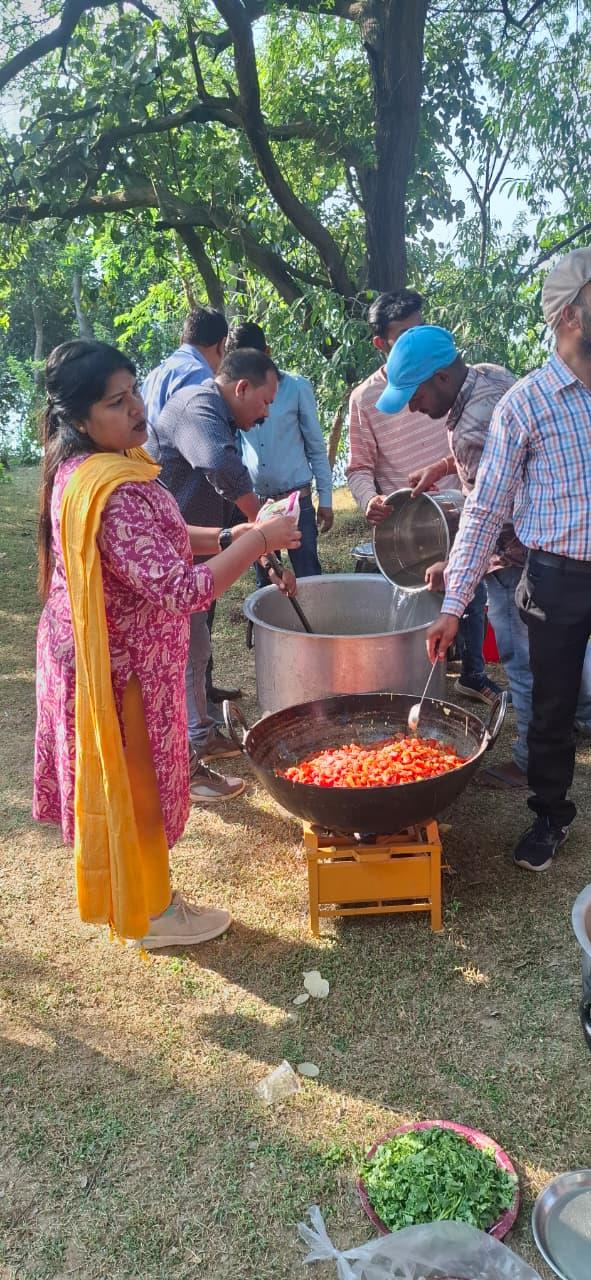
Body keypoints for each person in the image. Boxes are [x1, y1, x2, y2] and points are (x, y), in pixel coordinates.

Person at [33, 339, 300, 949]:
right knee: (138, 789)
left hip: (106, 652)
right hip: (119, 666)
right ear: (80, 420)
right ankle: (151, 912)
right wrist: (258, 542)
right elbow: (184, 590)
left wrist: (233, 533)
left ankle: (141, 899)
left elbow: (165, 535)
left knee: (132, 785)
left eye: (133, 392)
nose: (136, 409)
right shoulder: (113, 489)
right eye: (116, 402)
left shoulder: (100, 467)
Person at [426, 247, 591, 872]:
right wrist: (454, 605)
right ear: (571, 316)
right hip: (556, 579)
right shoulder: (526, 404)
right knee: (551, 706)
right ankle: (550, 815)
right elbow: (485, 508)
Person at [375, 324, 528, 785]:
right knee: (558, 646)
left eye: (415, 395)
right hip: (544, 549)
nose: (413, 407)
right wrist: (443, 467)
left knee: (521, 661)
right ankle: (579, 715)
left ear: (441, 376)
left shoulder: (472, 427)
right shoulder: (488, 374)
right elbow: (500, 457)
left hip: (515, 557)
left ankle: (530, 760)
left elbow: (491, 514)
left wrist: (455, 567)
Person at [146, 348, 295, 798]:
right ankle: (195, 746)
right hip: (172, 559)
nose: (266, 414)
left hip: (197, 547)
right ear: (241, 388)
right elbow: (221, 469)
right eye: (265, 402)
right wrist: (264, 525)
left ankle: (199, 733)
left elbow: (232, 512)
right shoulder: (199, 405)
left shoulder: (223, 418)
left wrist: (268, 557)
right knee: (191, 648)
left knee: (196, 646)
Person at [348, 290, 498, 704]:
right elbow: (358, 468)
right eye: (404, 335)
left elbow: (482, 471)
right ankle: (415, 677)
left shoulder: (451, 389)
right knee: (422, 595)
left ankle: (473, 672)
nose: (416, 340)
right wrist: (369, 499)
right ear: (380, 343)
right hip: (410, 521)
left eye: (421, 329)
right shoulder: (365, 400)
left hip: (463, 508)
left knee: (470, 589)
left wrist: (446, 468)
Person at [141, 306, 240, 711]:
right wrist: (253, 518)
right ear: (221, 345)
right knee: (195, 611)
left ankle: (201, 694)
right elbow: (213, 458)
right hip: (186, 501)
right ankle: (198, 710)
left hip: (161, 497)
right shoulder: (200, 379)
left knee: (188, 622)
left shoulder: (155, 373)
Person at [225, 321, 333, 582]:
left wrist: (326, 500)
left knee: (308, 578)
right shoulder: (234, 398)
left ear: (267, 352)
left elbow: (316, 447)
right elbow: (234, 451)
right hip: (258, 506)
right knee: (267, 580)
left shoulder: (296, 387)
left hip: (298, 503)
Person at [141, 305, 228, 428]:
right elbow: (203, 433)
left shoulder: (153, 376)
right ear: (222, 345)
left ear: (182, 339)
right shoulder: (199, 375)